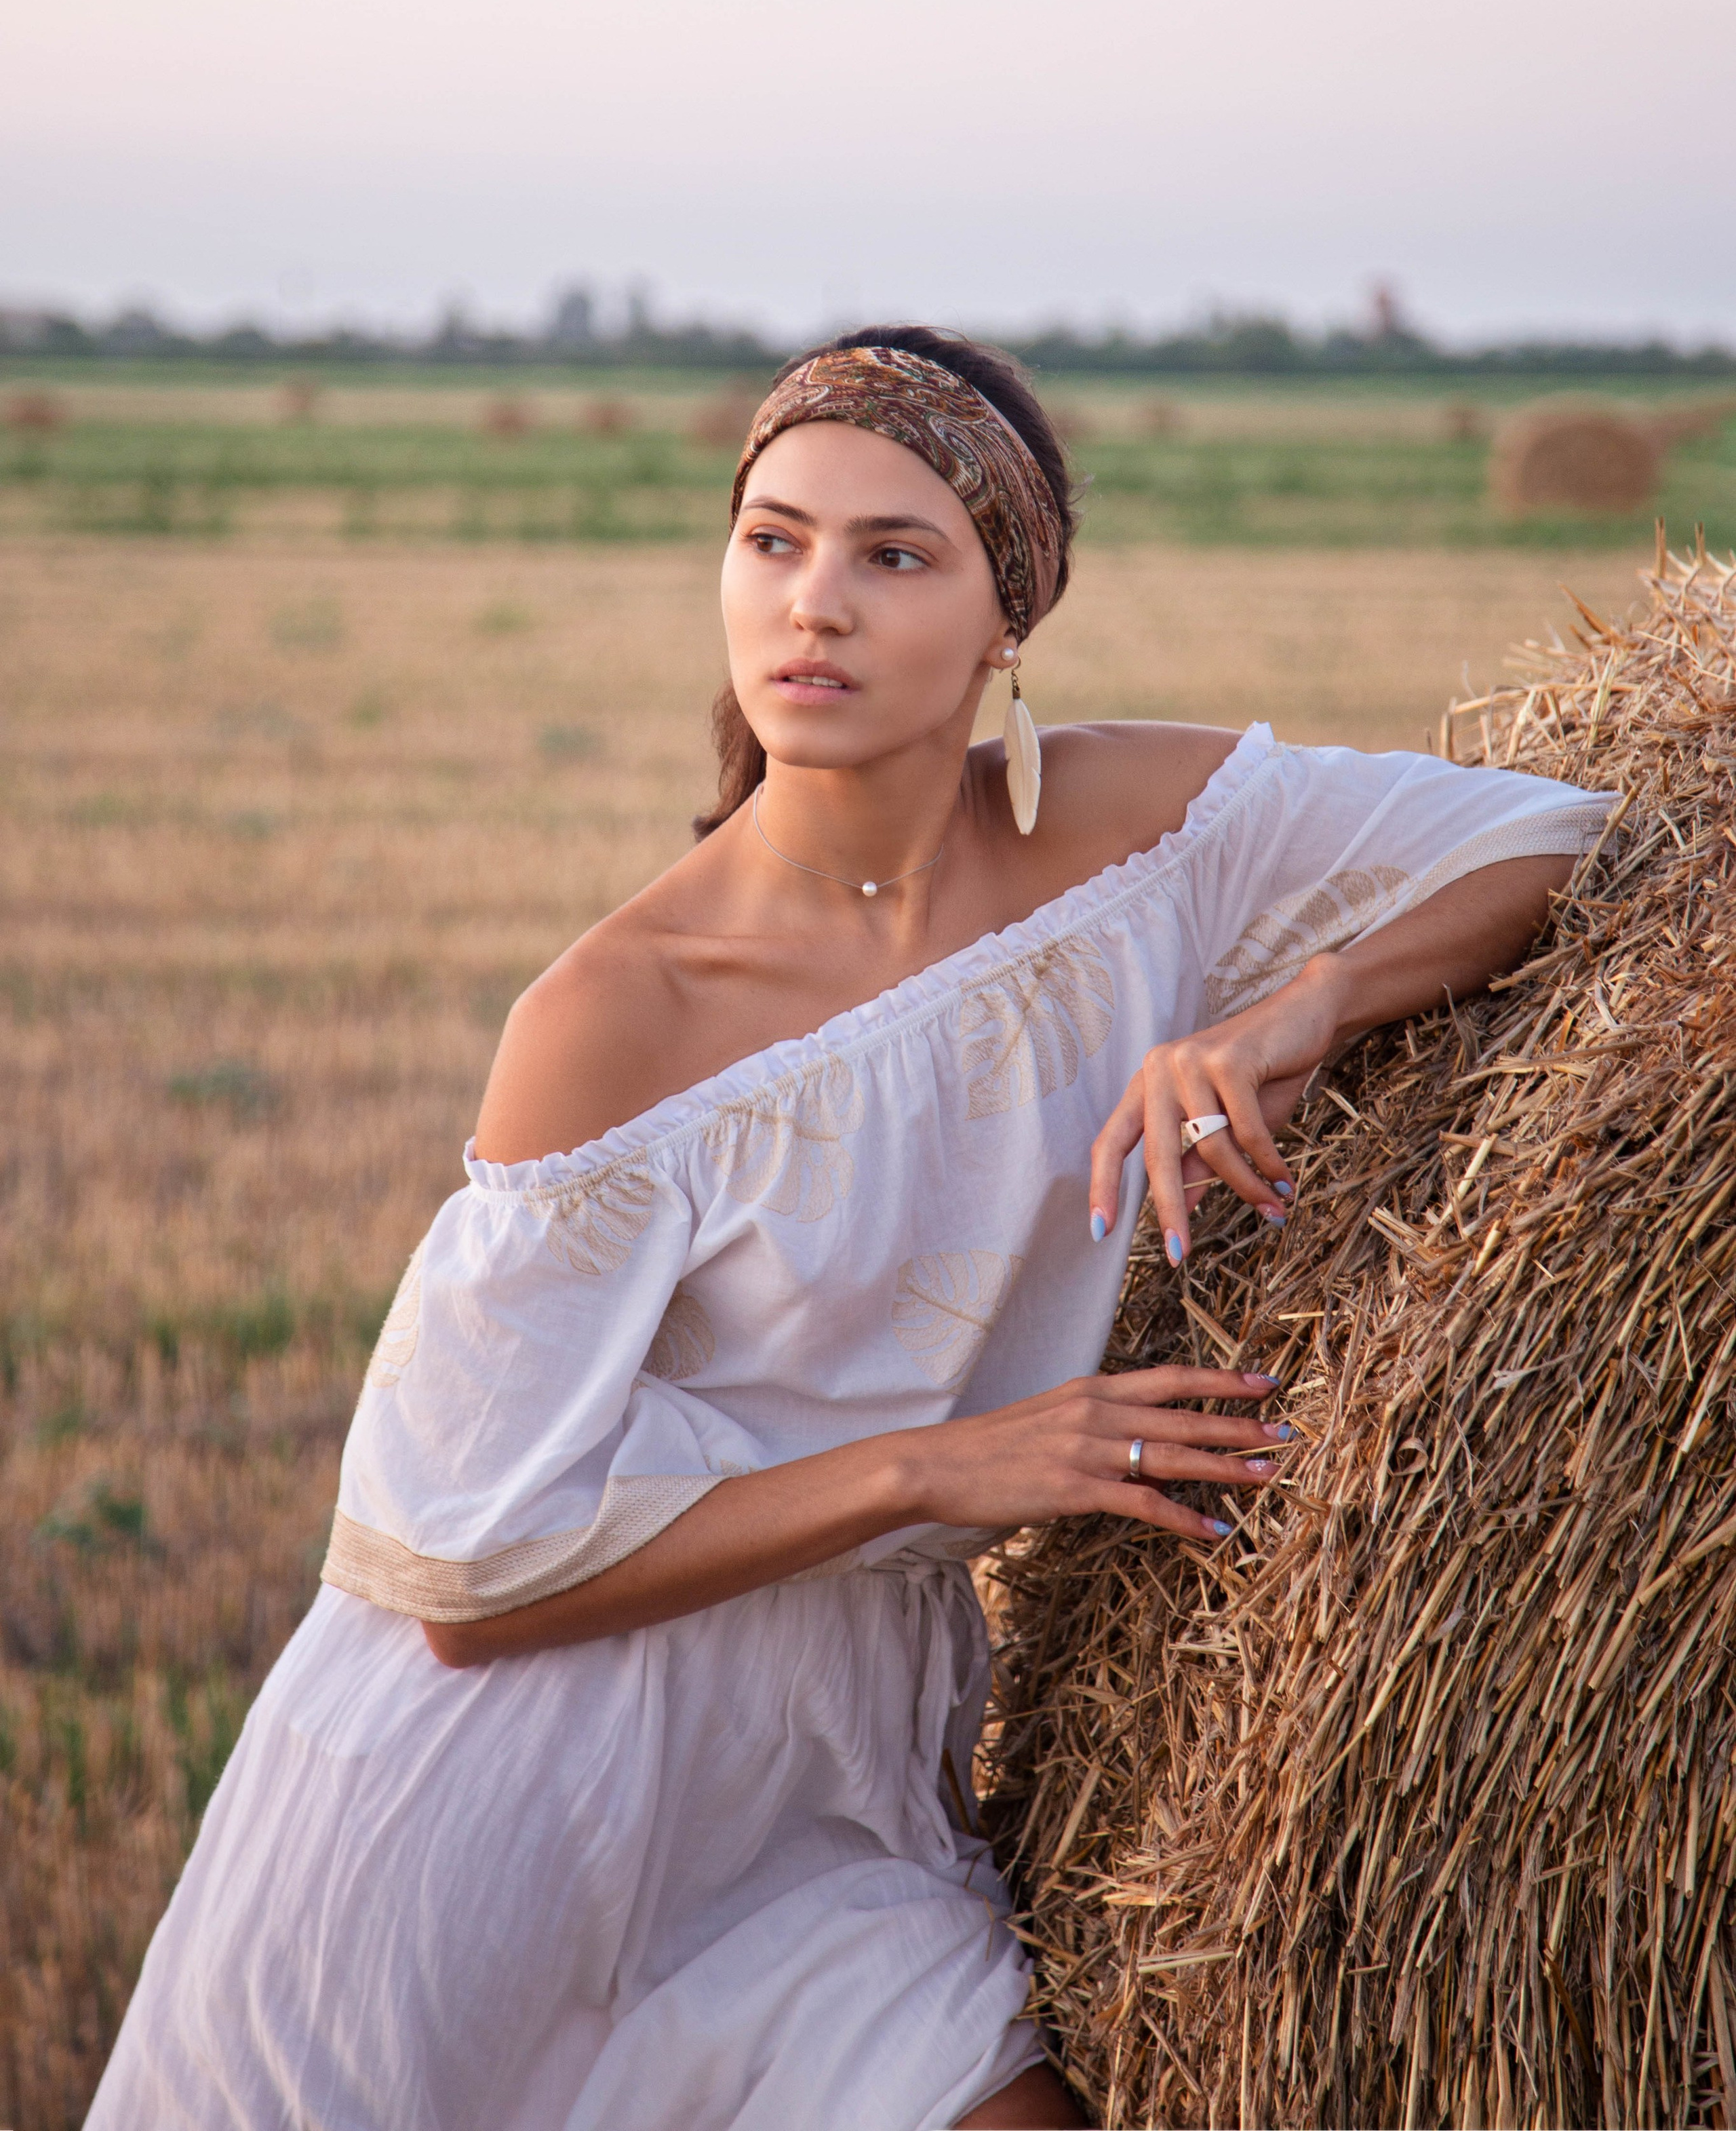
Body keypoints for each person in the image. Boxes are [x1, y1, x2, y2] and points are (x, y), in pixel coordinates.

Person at [90, 332, 1611, 2131]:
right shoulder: (620, 1010)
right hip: (508, 1809)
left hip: (832, 1785)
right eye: (772, 540)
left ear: (1005, 622)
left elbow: (1562, 838)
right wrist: (944, 1468)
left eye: (894, 554)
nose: (814, 603)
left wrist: (1300, 1010)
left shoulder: (1139, 838)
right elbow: (464, 1578)